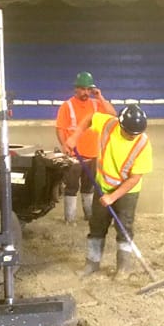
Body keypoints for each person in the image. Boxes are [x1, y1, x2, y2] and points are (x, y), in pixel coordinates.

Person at [66, 104, 152, 278]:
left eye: (136, 134)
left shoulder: (143, 144)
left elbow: (135, 178)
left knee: (124, 227)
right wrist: (75, 137)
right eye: (129, 133)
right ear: (121, 125)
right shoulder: (109, 124)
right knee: (96, 225)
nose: (132, 137)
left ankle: (124, 268)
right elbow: (90, 116)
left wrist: (112, 197)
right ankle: (92, 263)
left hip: (127, 192)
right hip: (103, 185)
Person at [55, 71, 116, 223]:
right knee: (71, 187)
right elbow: (60, 128)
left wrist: (100, 97)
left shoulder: (96, 104)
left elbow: (113, 115)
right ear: (76, 89)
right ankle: (70, 219)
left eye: (88, 89)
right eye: (82, 89)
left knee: (89, 187)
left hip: (93, 154)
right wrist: (64, 145)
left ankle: (89, 216)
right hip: (74, 156)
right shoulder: (67, 106)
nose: (85, 92)